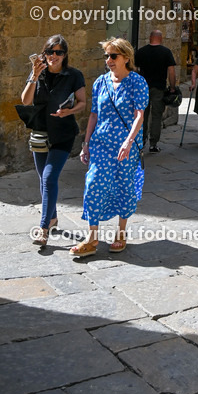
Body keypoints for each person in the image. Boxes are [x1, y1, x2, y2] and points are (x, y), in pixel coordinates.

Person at [71, 37, 147, 256]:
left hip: (127, 146)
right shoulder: (100, 83)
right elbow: (94, 115)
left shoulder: (137, 82)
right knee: (93, 183)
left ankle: (121, 233)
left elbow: (139, 115)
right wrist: (86, 144)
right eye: (107, 56)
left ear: (126, 58)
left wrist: (129, 141)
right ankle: (92, 238)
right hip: (101, 144)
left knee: (124, 186)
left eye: (113, 56)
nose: (109, 60)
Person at [21, 35, 86, 247]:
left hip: (63, 133)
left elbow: (83, 103)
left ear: (65, 55)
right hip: (40, 133)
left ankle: (43, 228)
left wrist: (69, 111)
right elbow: (26, 100)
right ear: (44, 54)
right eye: (50, 52)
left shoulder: (73, 75)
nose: (54, 56)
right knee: (44, 179)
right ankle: (54, 217)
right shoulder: (36, 73)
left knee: (49, 177)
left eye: (58, 52)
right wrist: (34, 76)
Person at [135, 30, 176, 153]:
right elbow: (171, 72)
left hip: (143, 88)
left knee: (142, 115)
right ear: (161, 38)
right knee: (157, 115)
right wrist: (172, 87)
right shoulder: (166, 52)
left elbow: (134, 69)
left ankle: (141, 141)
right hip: (159, 87)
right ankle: (153, 143)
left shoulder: (141, 52)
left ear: (150, 38)